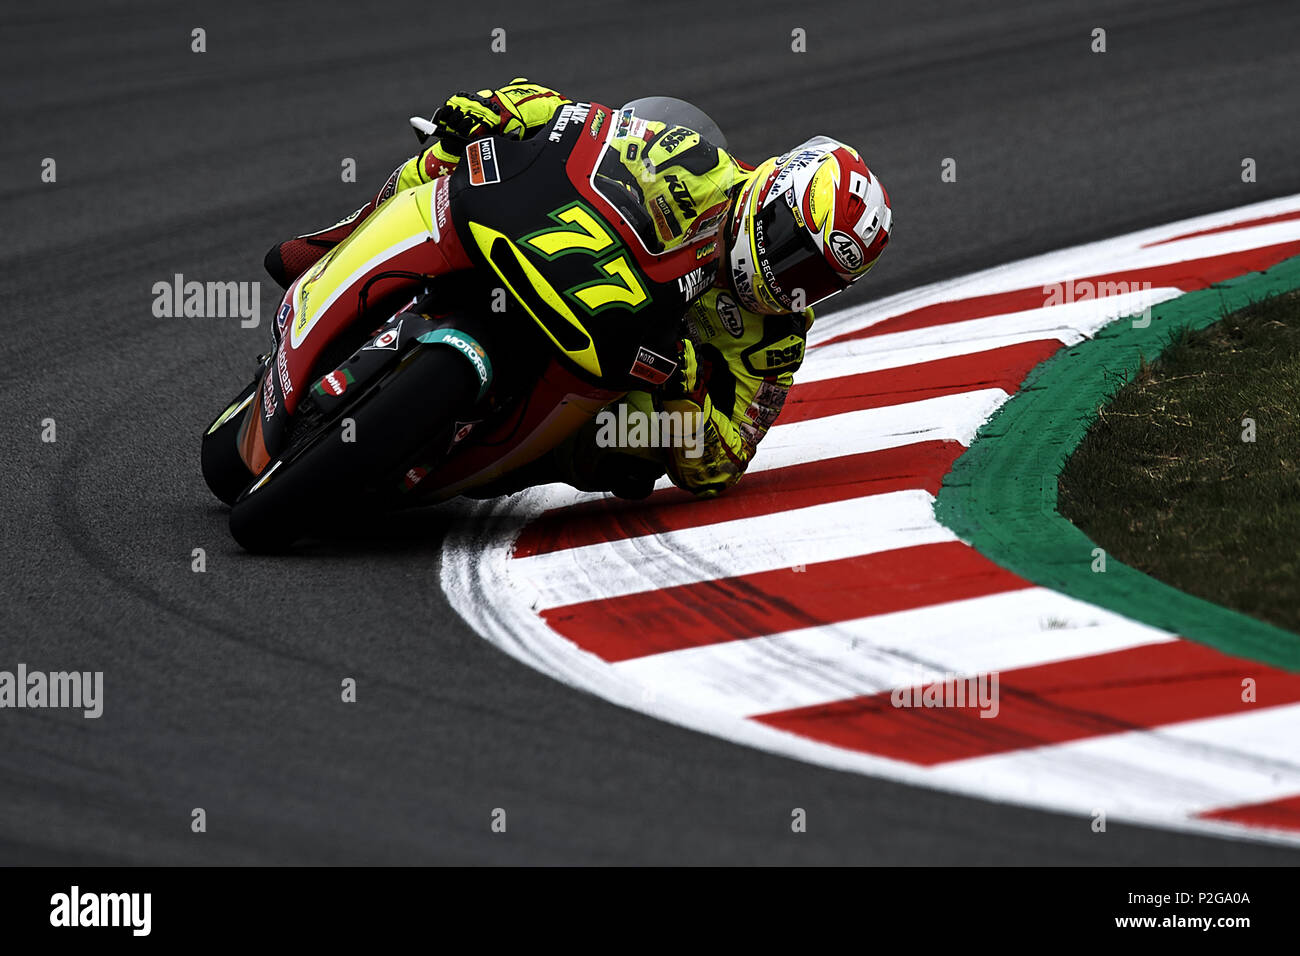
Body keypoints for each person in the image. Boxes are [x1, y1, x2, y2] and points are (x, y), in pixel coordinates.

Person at [264, 80, 892, 500]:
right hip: (570, 255)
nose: (791, 282)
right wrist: (500, 107)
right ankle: (341, 238)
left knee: (629, 456)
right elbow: (581, 122)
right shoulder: (696, 162)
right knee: (453, 155)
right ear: (775, 191)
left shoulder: (776, 342)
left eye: (817, 281)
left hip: (622, 368)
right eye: (792, 251)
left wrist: (686, 385)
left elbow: (723, 462)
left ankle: (501, 460)